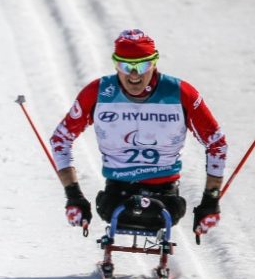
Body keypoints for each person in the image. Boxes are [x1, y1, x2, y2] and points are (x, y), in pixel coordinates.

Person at [49, 29, 227, 238]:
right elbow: (60, 139)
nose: (134, 75)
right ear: (115, 64)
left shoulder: (181, 93)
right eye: (126, 66)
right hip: (116, 193)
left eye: (142, 66)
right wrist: (74, 196)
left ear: (154, 63)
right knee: (111, 206)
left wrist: (210, 201)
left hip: (165, 195)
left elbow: (216, 143)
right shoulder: (98, 92)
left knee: (163, 209)